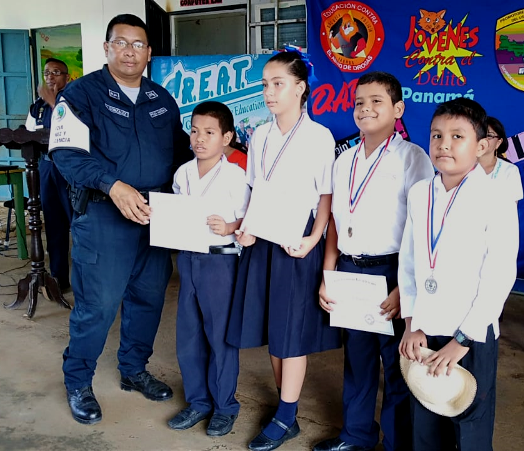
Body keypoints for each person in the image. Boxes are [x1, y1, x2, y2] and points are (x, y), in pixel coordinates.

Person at [48, 14, 192, 425]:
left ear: (149, 52)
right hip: (104, 213)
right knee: (98, 305)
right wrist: (113, 185)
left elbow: (182, 151)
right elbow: (66, 155)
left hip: (155, 213)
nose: (130, 51)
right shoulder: (81, 94)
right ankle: (78, 381)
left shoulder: (161, 99)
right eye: (122, 43)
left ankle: (133, 369)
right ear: (107, 47)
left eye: (138, 44)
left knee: (149, 298)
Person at [226, 49, 341, 451]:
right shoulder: (259, 135)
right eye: (265, 85)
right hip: (263, 237)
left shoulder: (319, 136)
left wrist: (314, 238)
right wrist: (247, 228)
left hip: (297, 240)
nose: (269, 92)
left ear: (300, 88)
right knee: (272, 326)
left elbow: (326, 196)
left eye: (278, 84)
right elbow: (255, 190)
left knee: (291, 330)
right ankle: (284, 406)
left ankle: (287, 415)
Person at [314, 71, 433, 451]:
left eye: (376, 101)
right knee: (358, 360)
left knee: (397, 365)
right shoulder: (344, 160)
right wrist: (328, 272)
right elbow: (335, 221)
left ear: (398, 109)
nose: (365, 109)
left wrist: (404, 288)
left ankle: (396, 443)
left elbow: (421, 229)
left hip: (392, 271)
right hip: (350, 271)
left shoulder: (413, 158)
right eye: (359, 102)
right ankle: (356, 435)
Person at [398, 98, 519, 450]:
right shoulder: (421, 193)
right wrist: (411, 323)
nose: (444, 145)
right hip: (425, 329)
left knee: (469, 426)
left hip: (470, 335)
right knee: (425, 418)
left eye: (457, 136)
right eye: (436, 135)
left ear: (481, 146)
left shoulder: (496, 196)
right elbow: (409, 263)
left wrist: (462, 340)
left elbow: (500, 274)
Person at [167, 101, 250, 437]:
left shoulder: (236, 176)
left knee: (220, 335)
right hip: (188, 259)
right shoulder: (183, 173)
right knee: (189, 334)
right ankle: (198, 401)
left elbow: (249, 219)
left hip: (220, 262)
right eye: (195, 131)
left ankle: (224, 406)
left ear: (226, 137)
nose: (200, 138)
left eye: (210, 132)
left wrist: (230, 226)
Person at [25, 57, 73, 292]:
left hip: (70, 169)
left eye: (56, 72)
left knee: (79, 223)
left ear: (67, 77)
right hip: (46, 167)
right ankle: (59, 280)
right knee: (54, 225)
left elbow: (75, 127)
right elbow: (28, 133)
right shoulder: (38, 106)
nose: (50, 77)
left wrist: (55, 103)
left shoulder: (75, 99)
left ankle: (86, 281)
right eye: (46, 73)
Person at [477, 117, 523, 203]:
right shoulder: (460, 168)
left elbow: (511, 208)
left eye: (489, 136)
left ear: (498, 142)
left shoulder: (510, 170)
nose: (483, 139)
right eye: (480, 134)